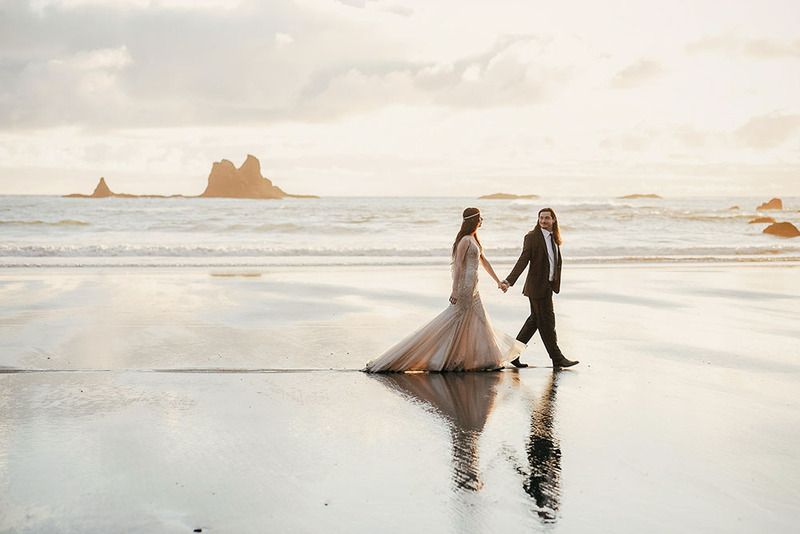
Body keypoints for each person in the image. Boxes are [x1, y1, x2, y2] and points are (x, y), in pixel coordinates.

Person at [365, 207, 521, 372]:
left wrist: (498, 281)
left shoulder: (474, 239)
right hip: (464, 287)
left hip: (474, 287)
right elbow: (459, 265)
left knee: (478, 320)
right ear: (475, 220)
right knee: (455, 320)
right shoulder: (465, 241)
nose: (482, 220)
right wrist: (455, 289)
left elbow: (484, 262)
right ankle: (435, 357)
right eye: (481, 217)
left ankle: (479, 359)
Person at [500, 207, 578, 368]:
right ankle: (557, 358)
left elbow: (554, 262)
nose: (543, 221)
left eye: (546, 218)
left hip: (548, 286)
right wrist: (509, 281)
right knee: (548, 323)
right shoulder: (532, 237)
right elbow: (523, 260)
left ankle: (513, 355)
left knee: (534, 321)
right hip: (536, 287)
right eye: (541, 218)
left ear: (553, 220)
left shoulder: (554, 238)